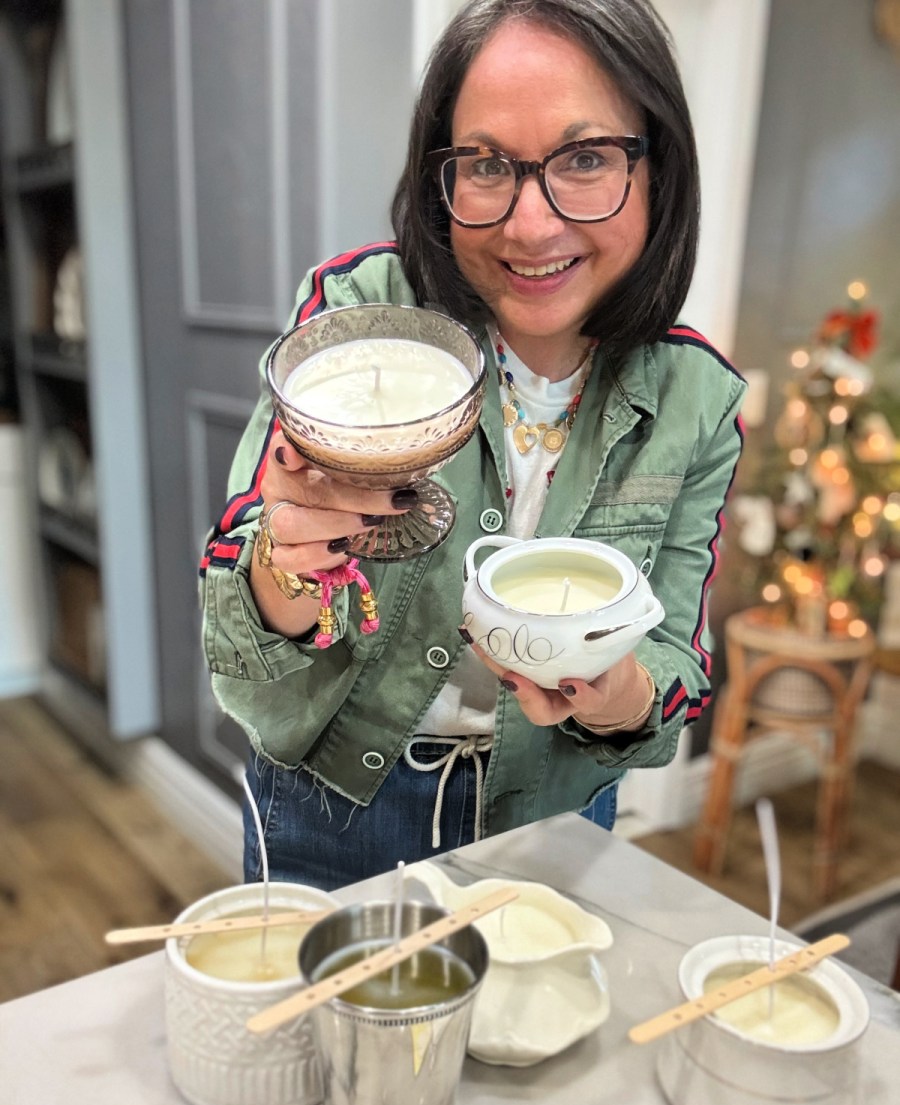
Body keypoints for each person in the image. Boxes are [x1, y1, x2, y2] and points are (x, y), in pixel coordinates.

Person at [200, 0, 745, 891]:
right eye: (488, 165)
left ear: (660, 170)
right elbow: (240, 630)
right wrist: (285, 561)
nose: (530, 226)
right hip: (335, 808)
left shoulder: (698, 400)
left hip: (550, 822)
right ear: (439, 177)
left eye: (585, 158)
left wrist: (613, 694)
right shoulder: (361, 317)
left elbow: (676, 665)